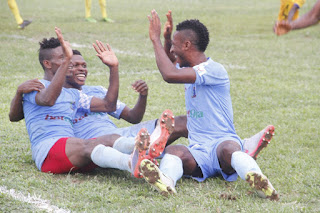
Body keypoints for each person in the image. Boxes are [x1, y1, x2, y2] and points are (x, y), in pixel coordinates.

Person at [139, 10, 279, 200]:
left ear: (187, 44)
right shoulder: (190, 69)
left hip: (222, 142)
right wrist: (166, 39)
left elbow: (169, 74)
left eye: (175, 45)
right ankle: (167, 181)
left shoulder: (213, 70)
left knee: (230, 149)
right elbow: (170, 64)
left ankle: (260, 181)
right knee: (174, 151)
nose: (172, 50)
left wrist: (154, 39)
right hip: (198, 151)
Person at [10, 27, 171, 178]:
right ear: (47, 64)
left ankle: (144, 149)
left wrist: (113, 68)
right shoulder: (35, 85)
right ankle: (131, 162)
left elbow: (108, 106)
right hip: (48, 152)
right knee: (88, 145)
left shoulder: (74, 94)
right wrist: (18, 93)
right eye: (63, 58)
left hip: (74, 152)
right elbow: (47, 100)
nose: (69, 62)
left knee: (108, 139)